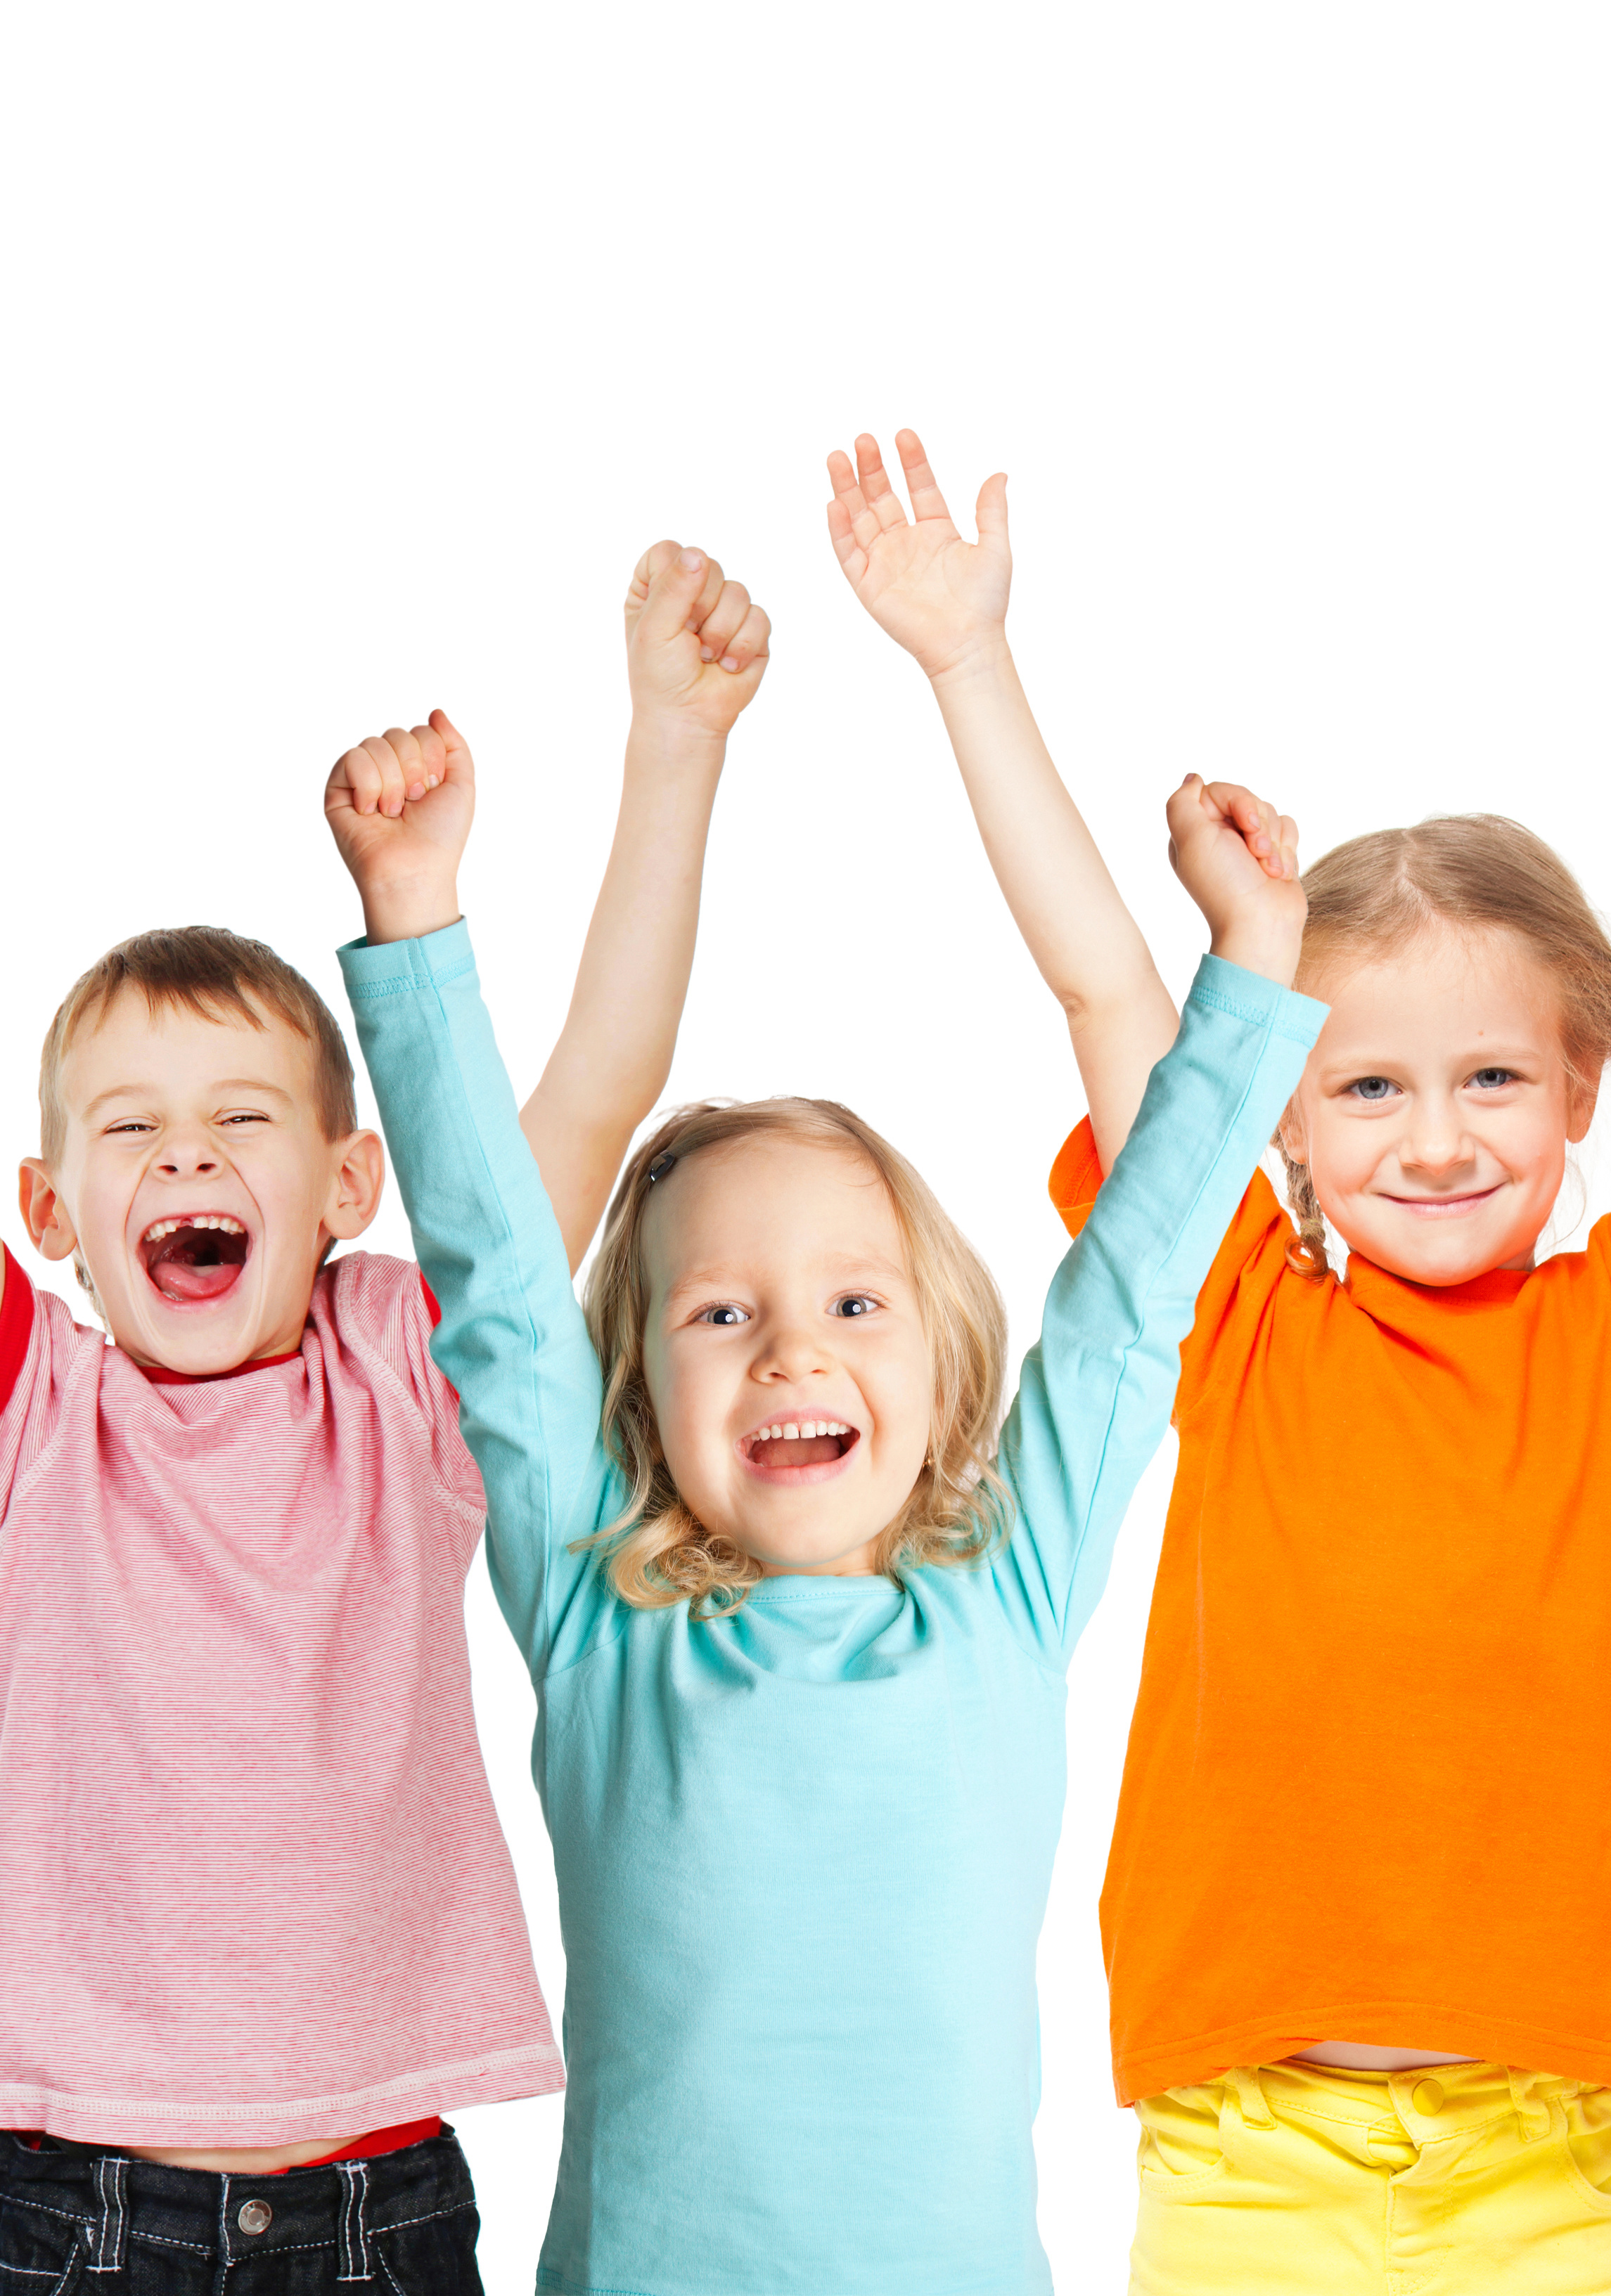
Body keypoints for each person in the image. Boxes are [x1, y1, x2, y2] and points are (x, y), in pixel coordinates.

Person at [916, 420, 1611, 2294]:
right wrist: (972, 664)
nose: (1432, 1140)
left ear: (1590, 1084)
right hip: (1244, 2136)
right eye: (1365, 1086)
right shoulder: (1226, 1315)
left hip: (1545, 2146)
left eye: (1490, 1079)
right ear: (1274, 1111)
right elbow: (1104, 995)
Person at [0, 536, 772, 2287]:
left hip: (382, 2202)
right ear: (49, 1211)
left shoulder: (404, 1383)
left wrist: (676, 743)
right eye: (125, 1126)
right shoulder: (35, 1413)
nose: (184, 1152)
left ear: (350, 1178)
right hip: (83, 2208)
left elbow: (590, 1091)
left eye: (236, 1120)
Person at [338, 432, 1323, 2290]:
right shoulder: (600, 1613)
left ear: (945, 1373)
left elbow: (1127, 1299)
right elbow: (487, 1286)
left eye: (853, 1303)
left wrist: (1252, 971)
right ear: (638, 1401)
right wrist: (416, 922)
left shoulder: (1004, 1596)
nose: (791, 1343)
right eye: (721, 1312)